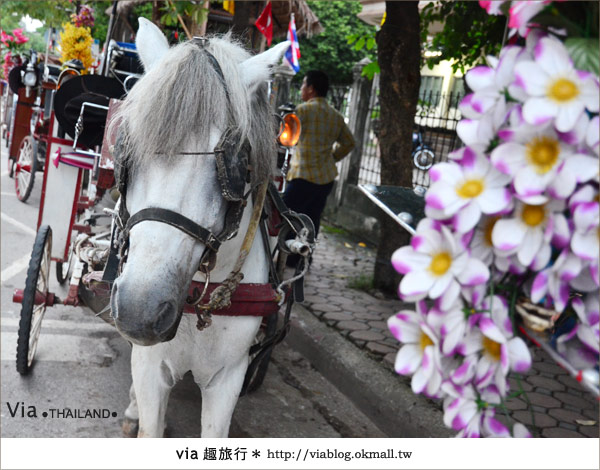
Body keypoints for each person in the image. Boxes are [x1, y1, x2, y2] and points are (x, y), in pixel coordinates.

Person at [283, 70, 355, 259]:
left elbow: (286, 139)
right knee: (313, 218)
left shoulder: (302, 111)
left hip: (302, 176)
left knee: (288, 217)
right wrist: (332, 158)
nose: (301, 89)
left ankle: (286, 255)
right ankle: (304, 258)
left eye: (304, 85)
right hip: (325, 178)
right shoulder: (336, 116)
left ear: (312, 89)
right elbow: (349, 143)